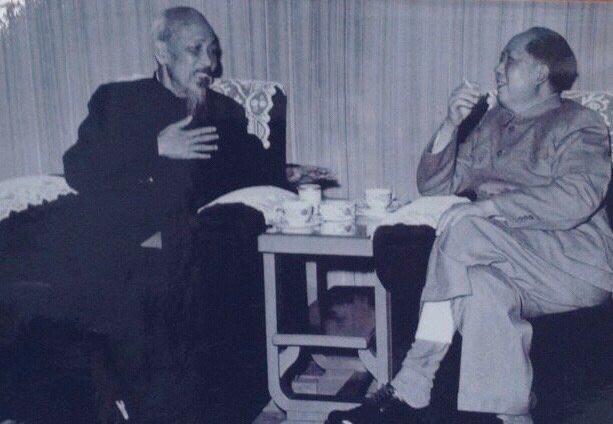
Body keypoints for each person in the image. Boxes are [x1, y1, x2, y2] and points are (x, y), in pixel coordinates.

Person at [0, 7, 285, 423]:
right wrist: (155, 148)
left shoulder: (224, 112)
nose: (209, 62)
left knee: (148, 283)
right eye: (195, 50)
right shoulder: (118, 101)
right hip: (99, 236)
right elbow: (78, 167)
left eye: (212, 50)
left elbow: (257, 172)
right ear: (162, 53)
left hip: (175, 247)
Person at [327, 27, 612, 424]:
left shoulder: (580, 123)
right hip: (509, 262)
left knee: (462, 227)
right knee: (479, 288)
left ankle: (412, 383)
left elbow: (577, 197)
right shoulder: (494, 122)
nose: (497, 68)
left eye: (509, 60)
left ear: (540, 72)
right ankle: (510, 417)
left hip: (572, 265)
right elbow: (434, 185)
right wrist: (450, 124)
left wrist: (488, 209)